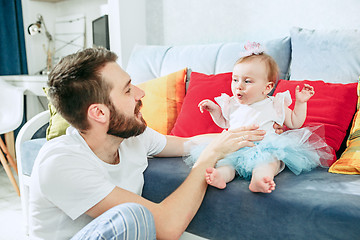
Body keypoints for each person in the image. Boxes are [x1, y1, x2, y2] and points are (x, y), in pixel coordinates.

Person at [28, 47, 268, 240]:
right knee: (132, 216)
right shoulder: (61, 163)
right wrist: (210, 156)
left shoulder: (131, 137)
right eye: (127, 90)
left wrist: (255, 137)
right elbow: (165, 227)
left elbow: (188, 143)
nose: (140, 93)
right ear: (99, 113)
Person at [185, 42, 333, 194]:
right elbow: (225, 123)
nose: (238, 86)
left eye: (247, 81)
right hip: (235, 146)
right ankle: (220, 176)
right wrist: (214, 110)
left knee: (269, 163)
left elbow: (295, 122)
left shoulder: (275, 104)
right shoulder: (232, 104)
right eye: (235, 79)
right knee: (226, 163)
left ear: (267, 88)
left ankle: (260, 179)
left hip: (266, 146)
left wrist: (301, 103)